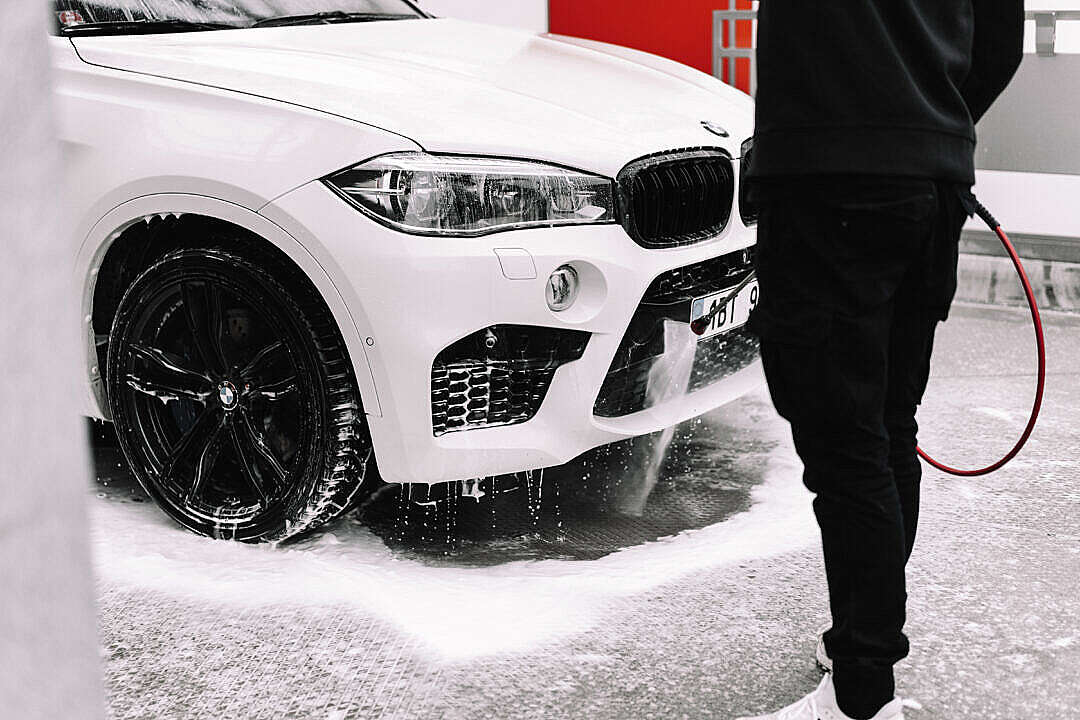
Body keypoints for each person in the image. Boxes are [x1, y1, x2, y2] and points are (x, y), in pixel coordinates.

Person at [737, 2, 1023, 719]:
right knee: (889, 428)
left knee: (847, 444)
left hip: (829, 178)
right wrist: (922, 122)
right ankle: (859, 648)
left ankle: (861, 697)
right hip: (931, 178)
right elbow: (1005, 43)